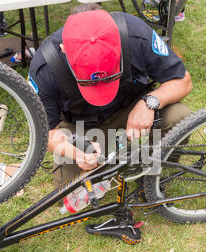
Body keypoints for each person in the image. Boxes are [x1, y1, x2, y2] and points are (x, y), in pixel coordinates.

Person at [27, 8, 192, 240]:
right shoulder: (45, 65)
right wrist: (74, 153)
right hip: (81, 127)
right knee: (71, 191)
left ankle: (155, 176)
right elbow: (48, 133)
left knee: (179, 116)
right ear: (65, 50)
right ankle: (111, 158)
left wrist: (150, 102)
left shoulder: (136, 35)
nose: (99, 91)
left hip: (131, 107)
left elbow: (182, 81)